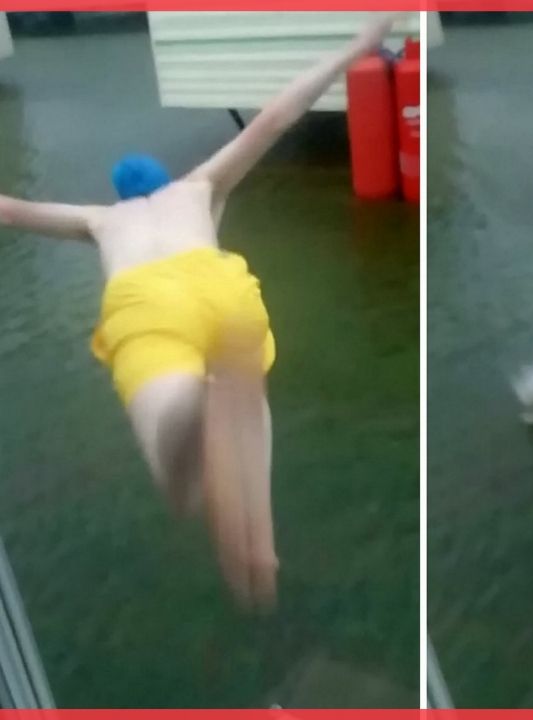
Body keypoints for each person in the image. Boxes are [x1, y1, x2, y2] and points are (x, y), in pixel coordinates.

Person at [0, 13, 402, 612]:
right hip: (224, 292)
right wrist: (358, 47)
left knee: (178, 474)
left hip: (147, 304)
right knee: (241, 413)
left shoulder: (104, 219)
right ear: (165, 183)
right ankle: (257, 538)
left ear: (122, 198)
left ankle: (197, 402)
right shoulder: (197, 187)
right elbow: (273, 119)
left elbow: (8, 210)